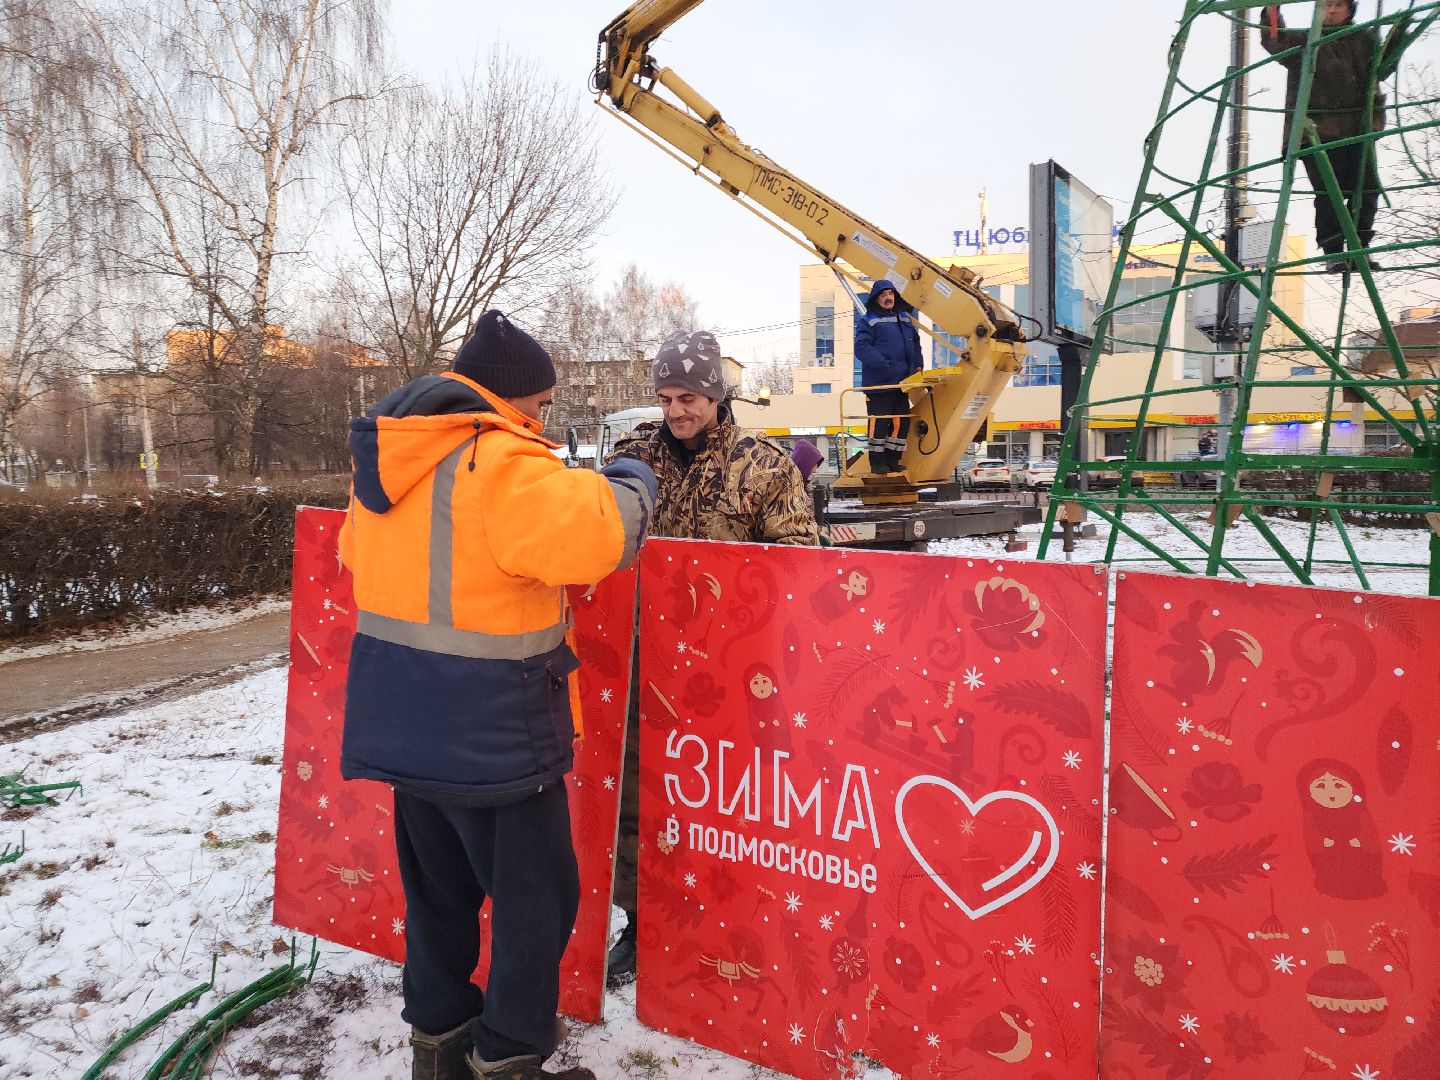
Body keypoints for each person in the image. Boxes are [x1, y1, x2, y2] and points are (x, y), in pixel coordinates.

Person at [339, 309, 656, 1080]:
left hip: (403, 728)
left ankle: (439, 1045)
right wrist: (635, 476)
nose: (541, 422)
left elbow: (362, 561)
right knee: (534, 907)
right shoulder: (501, 464)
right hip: (495, 738)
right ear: (507, 399)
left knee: (438, 901)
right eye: (541, 407)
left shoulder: (388, 460)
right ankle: (507, 1056)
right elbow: (603, 535)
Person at [602, 329, 819, 986]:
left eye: (689, 397)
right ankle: (642, 922)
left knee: (726, 805)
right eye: (667, 397)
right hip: (645, 665)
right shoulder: (631, 457)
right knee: (638, 803)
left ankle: (732, 919)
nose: (676, 412)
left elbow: (800, 565)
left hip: (730, 673)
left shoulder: (766, 467)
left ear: (717, 396)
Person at [1260, 1, 1411, 272]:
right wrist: (1272, 10)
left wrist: (1400, 29)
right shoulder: (1306, 40)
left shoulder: (1363, 38)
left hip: (1357, 128)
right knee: (1329, 190)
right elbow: (1275, 41)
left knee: (1367, 187)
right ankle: (1333, 251)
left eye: (1337, 5)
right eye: (1326, 5)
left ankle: (1359, 247)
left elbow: (1382, 65)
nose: (1331, 11)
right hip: (1314, 130)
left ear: (1349, 9)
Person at [854, 279, 923, 474]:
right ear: (876, 299)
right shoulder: (868, 321)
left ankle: (893, 460)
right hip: (879, 385)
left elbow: (915, 344)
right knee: (880, 424)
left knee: (901, 424)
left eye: (890, 294)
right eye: (883, 295)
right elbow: (861, 347)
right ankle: (877, 463)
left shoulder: (904, 318)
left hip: (902, 384)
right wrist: (884, 365)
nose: (888, 298)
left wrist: (918, 365)